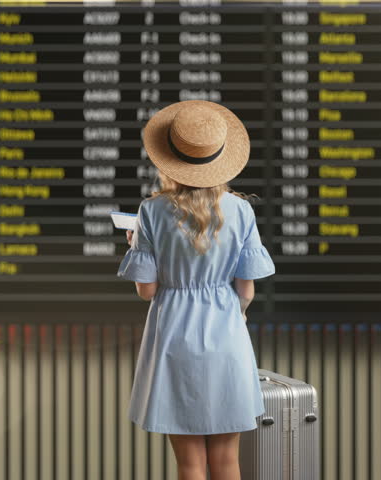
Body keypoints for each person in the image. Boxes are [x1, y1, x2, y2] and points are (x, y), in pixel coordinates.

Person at [116, 100, 276, 480]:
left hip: (172, 337)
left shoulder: (150, 212)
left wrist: (134, 244)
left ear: (169, 158)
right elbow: (247, 291)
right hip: (227, 337)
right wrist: (231, 313)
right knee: (227, 462)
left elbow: (147, 290)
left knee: (189, 464)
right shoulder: (241, 210)